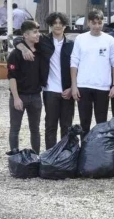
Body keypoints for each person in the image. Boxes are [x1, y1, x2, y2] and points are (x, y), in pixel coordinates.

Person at [13, 12, 74, 150]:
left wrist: (72, 88)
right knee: (50, 126)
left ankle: (65, 156)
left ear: (65, 26)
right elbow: (17, 40)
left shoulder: (71, 44)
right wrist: (23, 49)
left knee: (66, 126)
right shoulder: (43, 41)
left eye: (60, 23)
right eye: (55, 23)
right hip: (50, 90)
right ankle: (50, 158)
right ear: (50, 25)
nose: (58, 25)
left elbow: (76, 67)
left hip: (67, 90)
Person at [71, 9, 114, 137]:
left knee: (101, 123)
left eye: (99, 23)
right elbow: (74, 62)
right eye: (94, 23)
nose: (97, 26)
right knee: (84, 122)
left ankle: (99, 152)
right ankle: (85, 153)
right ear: (88, 23)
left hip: (102, 87)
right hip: (83, 85)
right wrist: (74, 85)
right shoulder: (80, 39)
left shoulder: (110, 40)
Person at [7, 20, 46, 153]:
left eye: (38, 32)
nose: (38, 35)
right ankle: (14, 155)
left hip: (36, 96)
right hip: (20, 95)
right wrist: (16, 98)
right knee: (15, 128)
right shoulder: (15, 54)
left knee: (35, 128)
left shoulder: (40, 50)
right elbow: (11, 77)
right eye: (34, 32)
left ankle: (36, 155)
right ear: (26, 35)